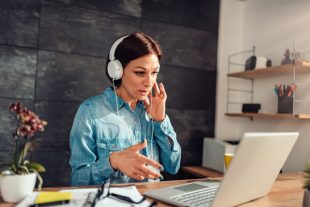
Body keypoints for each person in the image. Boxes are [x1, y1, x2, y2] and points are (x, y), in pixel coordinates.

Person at [69, 32, 181, 186]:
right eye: (140, 73)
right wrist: (113, 162)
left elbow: (173, 166)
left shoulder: (153, 113)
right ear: (117, 71)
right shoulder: (90, 112)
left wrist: (160, 122)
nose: (149, 82)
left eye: (154, 72)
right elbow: (77, 181)